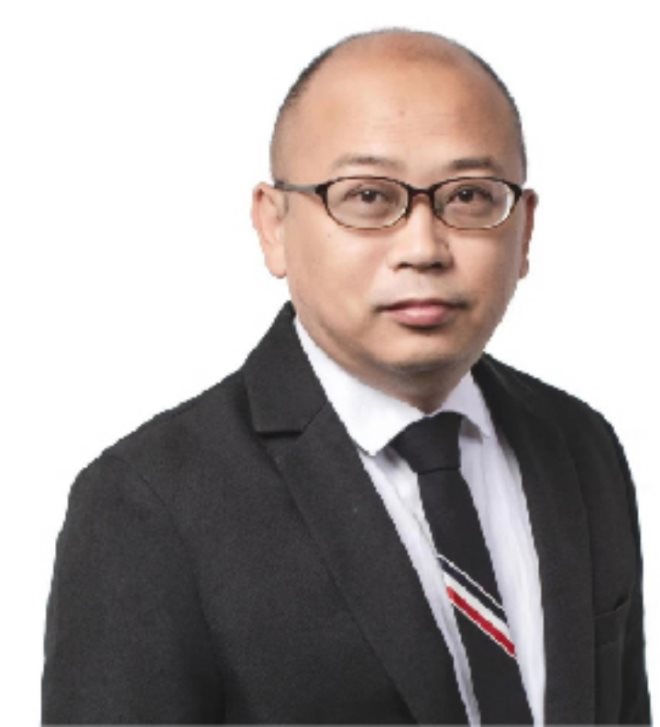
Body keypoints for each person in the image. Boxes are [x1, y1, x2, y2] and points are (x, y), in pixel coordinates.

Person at [42, 28, 651, 724]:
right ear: (274, 225)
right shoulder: (147, 505)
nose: (423, 247)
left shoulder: (579, 444)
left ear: (525, 230)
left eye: (469, 196)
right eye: (367, 196)